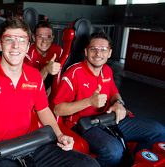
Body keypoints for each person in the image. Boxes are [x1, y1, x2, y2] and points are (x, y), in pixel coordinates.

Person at [0, 17, 99, 167]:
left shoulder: (33, 75)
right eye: (9, 39)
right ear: (0, 45)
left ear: (27, 47)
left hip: (31, 144)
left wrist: (59, 135)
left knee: (89, 164)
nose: (15, 46)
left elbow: (43, 109)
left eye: (21, 40)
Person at [53, 32, 165, 167]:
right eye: (93, 49)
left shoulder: (107, 70)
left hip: (109, 119)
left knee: (157, 130)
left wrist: (118, 103)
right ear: (86, 51)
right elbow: (58, 108)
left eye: (103, 49)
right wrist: (89, 101)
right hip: (83, 124)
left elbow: (114, 93)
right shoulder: (73, 73)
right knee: (114, 151)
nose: (98, 53)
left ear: (110, 53)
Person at [25, 21, 62, 89]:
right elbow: (29, 86)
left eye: (48, 37)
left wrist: (52, 88)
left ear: (52, 38)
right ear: (33, 37)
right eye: (40, 36)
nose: (44, 41)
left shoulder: (58, 51)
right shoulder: (27, 53)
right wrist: (46, 69)